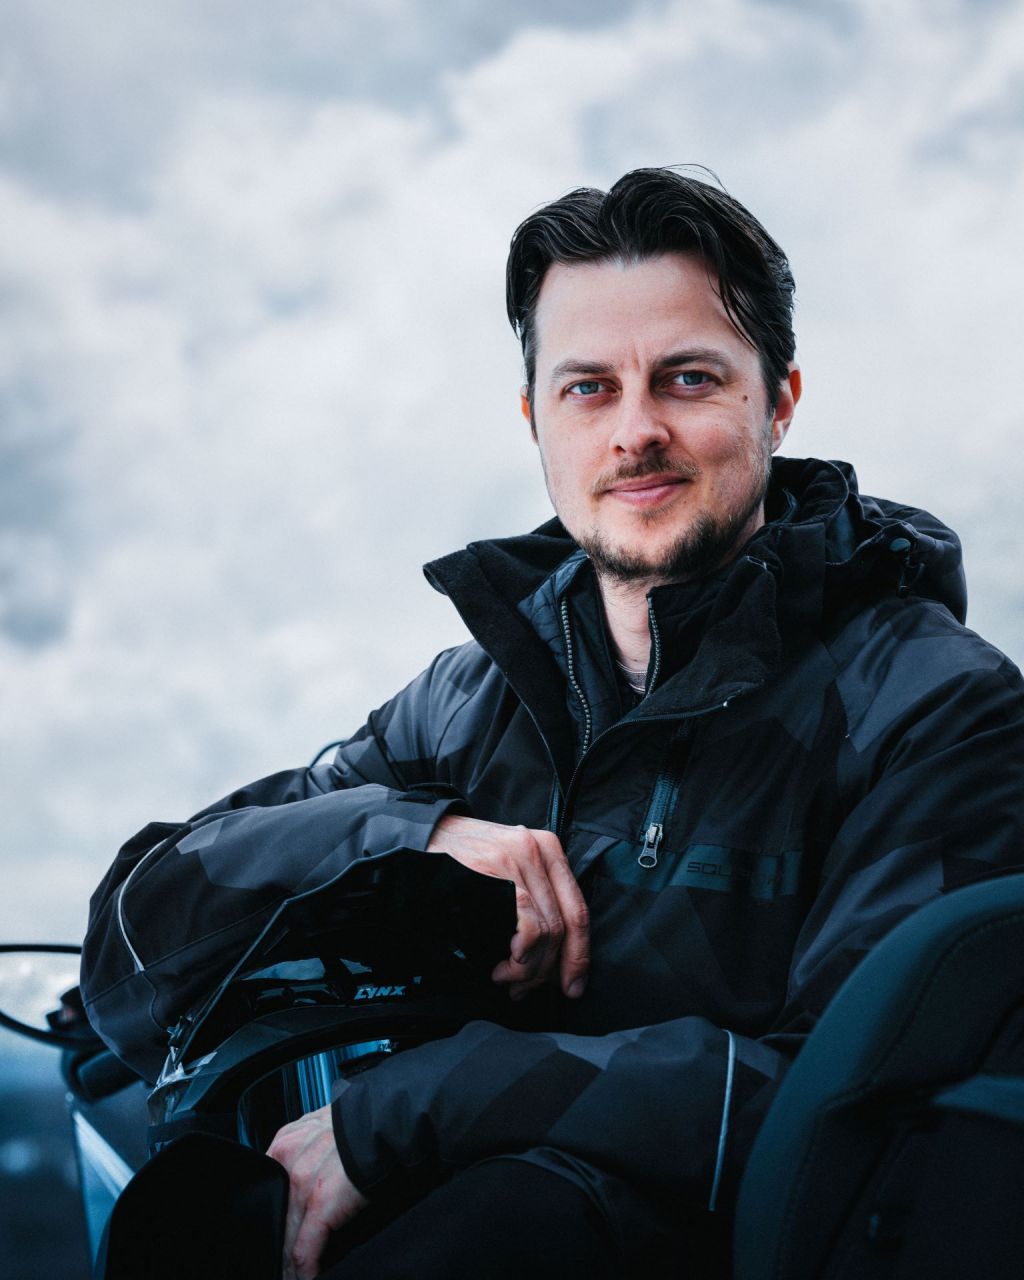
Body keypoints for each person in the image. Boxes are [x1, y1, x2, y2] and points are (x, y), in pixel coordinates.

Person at [81, 168, 1024, 1279]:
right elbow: (134, 947)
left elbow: (855, 1126)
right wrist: (407, 837)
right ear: (535, 416)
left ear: (776, 400)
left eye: (685, 378)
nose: (636, 431)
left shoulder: (935, 708)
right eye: (588, 387)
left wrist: (409, 1112)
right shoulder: (468, 700)